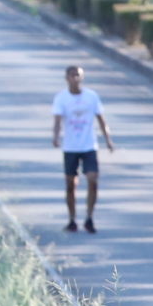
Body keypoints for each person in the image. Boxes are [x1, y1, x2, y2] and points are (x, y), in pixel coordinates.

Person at [48, 65, 114, 234]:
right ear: (66, 78)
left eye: (78, 75)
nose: (75, 78)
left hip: (89, 145)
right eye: (72, 75)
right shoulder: (61, 98)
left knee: (92, 180)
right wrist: (55, 137)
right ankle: (72, 219)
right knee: (71, 184)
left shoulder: (91, 96)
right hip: (70, 147)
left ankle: (89, 218)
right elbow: (57, 120)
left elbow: (101, 119)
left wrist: (108, 139)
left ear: (82, 77)